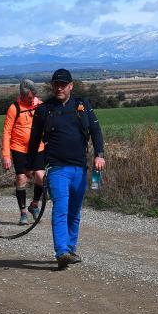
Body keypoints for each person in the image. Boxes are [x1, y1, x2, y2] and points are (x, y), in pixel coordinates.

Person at [27, 68, 104, 269]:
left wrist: (99, 155)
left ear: (71, 86)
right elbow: (34, 141)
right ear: (52, 86)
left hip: (80, 167)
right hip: (56, 168)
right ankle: (61, 252)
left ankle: (70, 248)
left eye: (63, 84)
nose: (59, 88)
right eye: (56, 84)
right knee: (61, 208)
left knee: (74, 211)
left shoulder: (82, 105)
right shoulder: (44, 110)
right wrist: (35, 167)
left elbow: (96, 130)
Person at [2, 79, 47, 225]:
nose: (31, 100)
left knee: (41, 176)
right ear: (22, 95)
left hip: (38, 147)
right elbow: (7, 132)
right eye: (29, 98)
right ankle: (23, 213)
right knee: (21, 178)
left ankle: (34, 205)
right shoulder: (14, 108)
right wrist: (6, 155)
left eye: (33, 97)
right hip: (19, 148)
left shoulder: (40, 105)